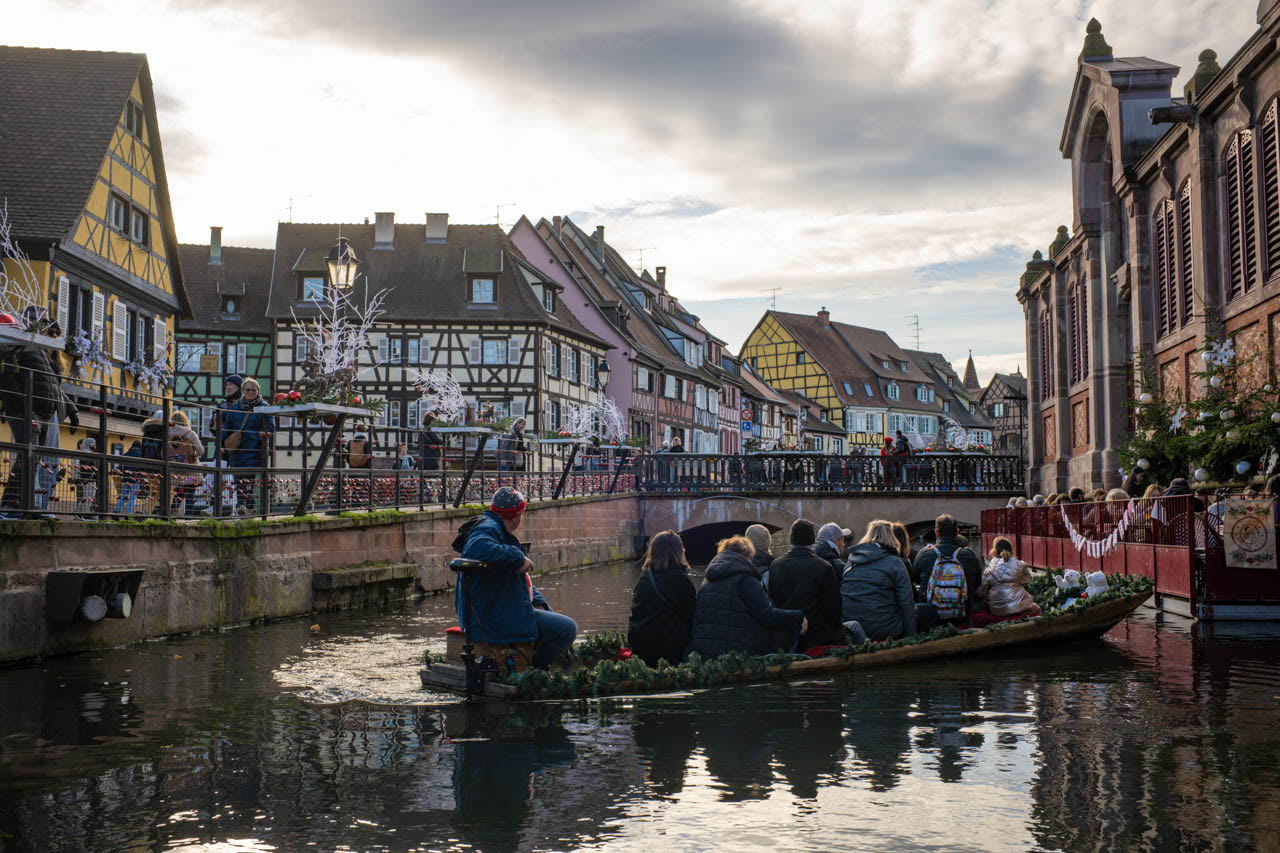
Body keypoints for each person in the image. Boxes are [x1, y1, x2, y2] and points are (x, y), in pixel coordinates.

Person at [453, 487, 577, 669]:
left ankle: (531, 661)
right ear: (517, 515)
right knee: (567, 629)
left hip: (502, 611)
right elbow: (476, 548)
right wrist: (518, 558)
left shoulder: (495, 527)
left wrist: (538, 601)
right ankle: (536, 669)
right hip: (494, 618)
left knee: (549, 614)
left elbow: (515, 579)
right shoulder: (489, 528)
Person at [690, 536, 806, 659]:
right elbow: (767, 615)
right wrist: (798, 616)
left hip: (704, 653)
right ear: (748, 556)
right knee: (783, 629)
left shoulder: (707, 580)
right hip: (735, 654)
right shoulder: (745, 579)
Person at [841, 520, 934, 641]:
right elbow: (907, 603)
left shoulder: (850, 562)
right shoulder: (894, 562)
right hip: (884, 629)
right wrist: (911, 638)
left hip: (854, 628)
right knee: (929, 611)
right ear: (891, 537)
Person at [767, 519, 843, 649]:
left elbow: (773, 601)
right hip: (817, 637)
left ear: (791, 539)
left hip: (785, 637)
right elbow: (834, 611)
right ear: (812, 540)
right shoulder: (824, 567)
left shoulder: (775, 565)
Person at [627, 531, 697, 666]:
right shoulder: (680, 580)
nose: (685, 549)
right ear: (677, 551)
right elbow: (691, 616)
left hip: (640, 650)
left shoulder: (644, 577)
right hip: (668, 653)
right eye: (682, 547)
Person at [220, 377, 273, 515]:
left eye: (253, 390)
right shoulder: (235, 407)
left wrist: (262, 436)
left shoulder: (264, 407)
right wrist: (222, 443)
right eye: (248, 389)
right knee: (238, 480)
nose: (250, 392)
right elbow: (227, 426)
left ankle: (244, 506)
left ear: (258, 391)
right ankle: (246, 507)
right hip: (237, 449)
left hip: (254, 449)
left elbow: (271, 426)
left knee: (248, 481)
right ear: (243, 391)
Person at [913, 514, 983, 611]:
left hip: (931, 616)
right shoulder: (969, 555)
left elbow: (915, 578)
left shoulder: (924, 553)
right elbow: (977, 582)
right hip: (962, 614)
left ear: (936, 533)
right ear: (957, 532)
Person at [978, 537, 1041, 619]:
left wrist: (988, 605)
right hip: (1018, 606)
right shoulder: (1019, 565)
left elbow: (984, 591)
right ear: (1011, 550)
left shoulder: (988, 570)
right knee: (1036, 608)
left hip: (996, 610)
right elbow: (1025, 579)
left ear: (994, 551)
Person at [168, 410, 203, 515]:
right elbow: (201, 451)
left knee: (178, 495)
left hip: (176, 473)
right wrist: (193, 456)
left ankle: (171, 515)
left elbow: (163, 453)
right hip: (191, 473)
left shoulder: (167, 434)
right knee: (190, 497)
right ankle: (188, 518)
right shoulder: (190, 433)